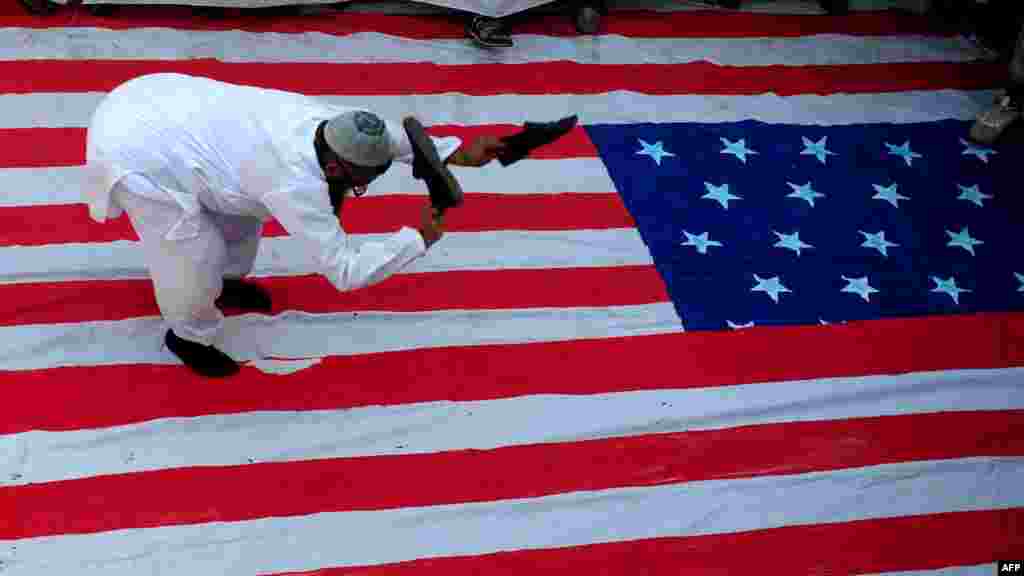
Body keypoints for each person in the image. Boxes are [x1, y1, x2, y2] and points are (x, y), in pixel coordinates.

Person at [84, 73, 508, 378]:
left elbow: (393, 141)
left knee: (242, 220)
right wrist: (417, 239)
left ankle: (226, 283)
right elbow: (344, 270)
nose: (373, 182)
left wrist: (455, 153)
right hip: (135, 150)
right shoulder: (293, 184)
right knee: (191, 254)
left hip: (163, 100)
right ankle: (189, 336)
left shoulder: (338, 125)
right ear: (335, 166)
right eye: (366, 179)